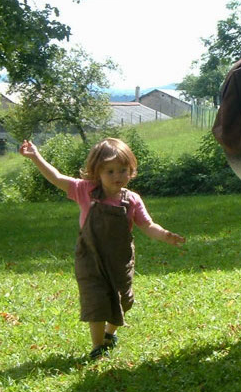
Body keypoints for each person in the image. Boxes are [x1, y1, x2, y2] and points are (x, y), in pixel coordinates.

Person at [19, 137, 185, 360]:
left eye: (123, 170)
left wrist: (165, 235)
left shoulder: (132, 199)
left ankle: (110, 334)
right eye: (110, 171)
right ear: (97, 172)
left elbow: (147, 225)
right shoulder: (85, 190)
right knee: (96, 301)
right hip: (91, 259)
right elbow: (56, 177)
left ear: (131, 170)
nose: (118, 176)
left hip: (119, 260)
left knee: (123, 300)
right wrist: (35, 157)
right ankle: (97, 347)